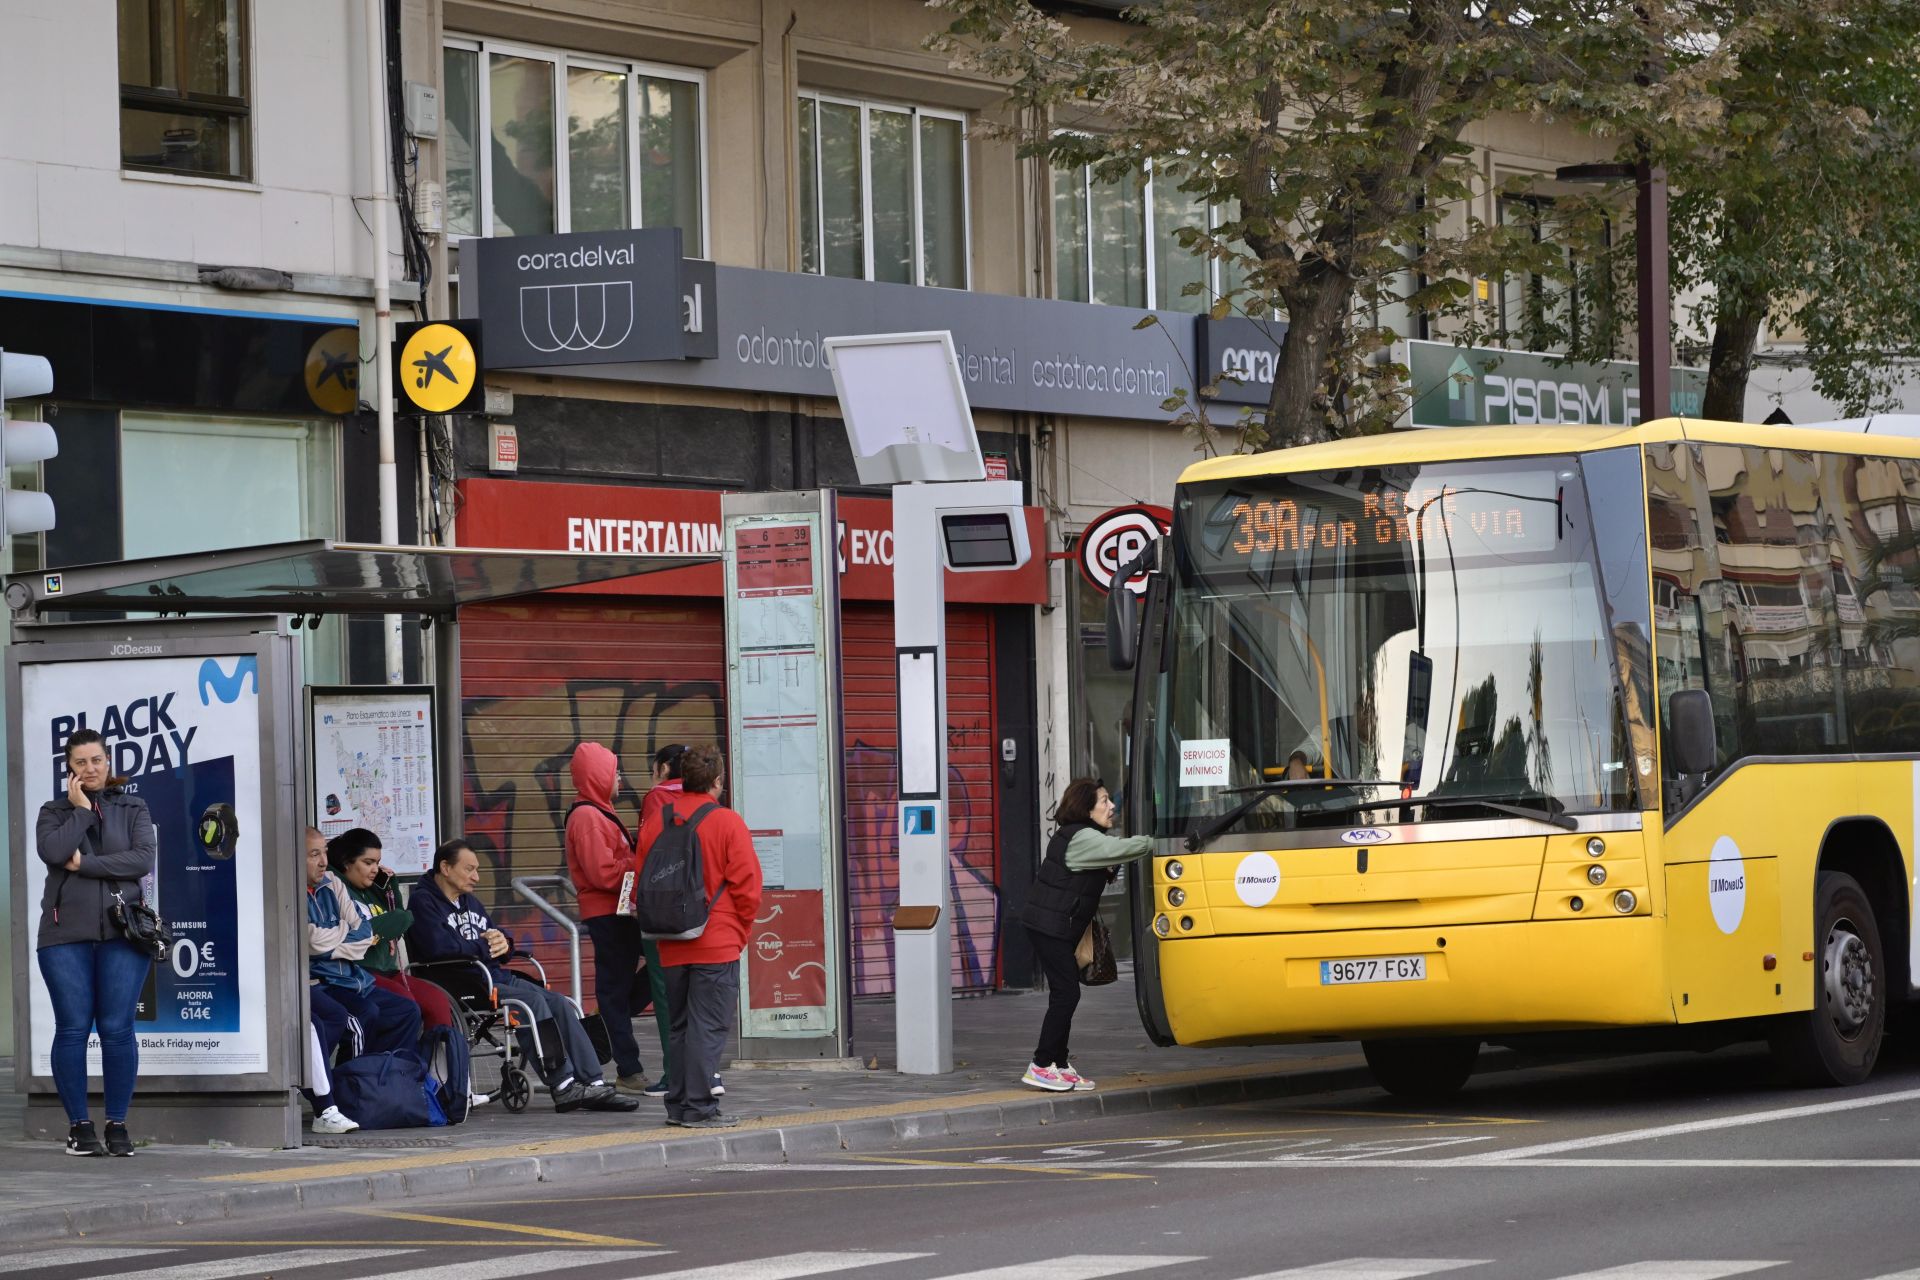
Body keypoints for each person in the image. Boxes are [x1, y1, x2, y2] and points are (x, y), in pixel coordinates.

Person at [406, 838, 638, 1114]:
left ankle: (594, 1081)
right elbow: (438, 948)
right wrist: (486, 946)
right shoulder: (423, 903)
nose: (476, 877)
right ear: (445, 868)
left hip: (492, 975)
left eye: (477, 869)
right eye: (469, 869)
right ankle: (563, 1085)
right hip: (461, 982)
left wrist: (504, 944)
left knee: (560, 1003)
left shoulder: (470, 902)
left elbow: (496, 938)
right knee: (530, 1004)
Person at [35, 729, 156, 1157]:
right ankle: (79, 1128)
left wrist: (85, 864)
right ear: (69, 769)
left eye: (97, 760)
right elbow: (53, 851)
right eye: (81, 762)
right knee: (72, 1028)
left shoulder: (133, 806)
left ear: (109, 761)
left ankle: (118, 1125)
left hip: (124, 935)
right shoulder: (54, 811)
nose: (91, 769)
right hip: (63, 936)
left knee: (117, 1029)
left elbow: (142, 859)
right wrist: (82, 812)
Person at [636, 744, 761, 1129]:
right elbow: (748, 888)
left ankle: (679, 1105)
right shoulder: (727, 822)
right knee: (708, 1027)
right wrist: (739, 933)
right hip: (716, 939)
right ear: (718, 781)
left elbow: (642, 877)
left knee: (679, 1026)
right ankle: (700, 1107)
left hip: (671, 941)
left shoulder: (657, 821)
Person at [1018, 778, 1151, 1093]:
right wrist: (1156, 842)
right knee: (1067, 994)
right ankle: (1040, 1064)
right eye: (1104, 801)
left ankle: (1059, 1065)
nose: (1112, 805)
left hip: (1055, 926)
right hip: (1049, 927)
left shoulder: (1081, 836)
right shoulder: (1082, 838)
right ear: (1085, 808)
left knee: (1064, 994)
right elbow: (1122, 848)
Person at [565, 742, 666, 1098]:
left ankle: (608, 1027)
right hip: (608, 914)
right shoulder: (588, 817)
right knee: (616, 989)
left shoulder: (598, 811)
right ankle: (627, 1067)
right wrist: (640, 861)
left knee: (652, 972)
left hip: (619, 910)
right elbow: (601, 873)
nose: (620, 778)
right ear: (598, 776)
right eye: (614, 771)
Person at [305, 829, 422, 1061]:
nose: (323, 862)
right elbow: (311, 941)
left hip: (355, 977)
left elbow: (367, 932)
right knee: (365, 1014)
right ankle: (351, 1083)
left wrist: (390, 885)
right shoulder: (292, 890)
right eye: (314, 854)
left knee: (408, 1011)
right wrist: (347, 932)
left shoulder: (333, 882)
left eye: (325, 853)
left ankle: (385, 1078)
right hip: (326, 980)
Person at [306, 983, 360, 1134]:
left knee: (336, 1014)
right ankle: (323, 1109)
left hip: (291, 975)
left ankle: (305, 1076)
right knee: (310, 1023)